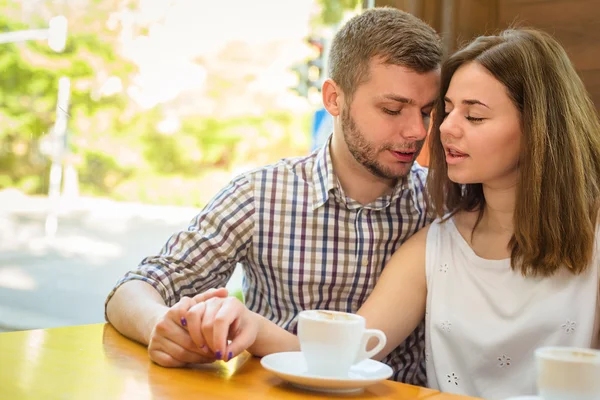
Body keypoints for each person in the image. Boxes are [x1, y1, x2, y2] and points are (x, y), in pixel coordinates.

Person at [184, 28, 600, 399]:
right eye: (448, 110)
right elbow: (347, 351)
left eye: (473, 115)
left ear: (539, 129)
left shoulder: (592, 238)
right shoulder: (436, 243)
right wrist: (252, 326)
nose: (440, 129)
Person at [104, 7, 442, 385]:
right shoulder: (260, 194)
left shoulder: (440, 204)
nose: (416, 131)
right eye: (392, 109)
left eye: (427, 112)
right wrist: (157, 325)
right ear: (334, 98)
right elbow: (133, 288)